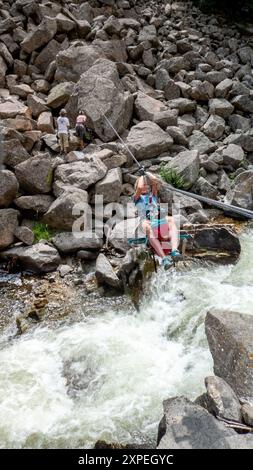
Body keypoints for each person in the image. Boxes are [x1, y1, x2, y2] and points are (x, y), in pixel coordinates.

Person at [133, 172, 182, 270]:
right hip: (147, 221)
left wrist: (146, 173)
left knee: (171, 219)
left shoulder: (153, 195)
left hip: (159, 220)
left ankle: (174, 250)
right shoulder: (136, 198)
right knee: (147, 226)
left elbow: (155, 181)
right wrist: (142, 176)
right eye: (144, 185)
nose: (145, 186)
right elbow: (139, 187)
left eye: (147, 185)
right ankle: (164, 259)